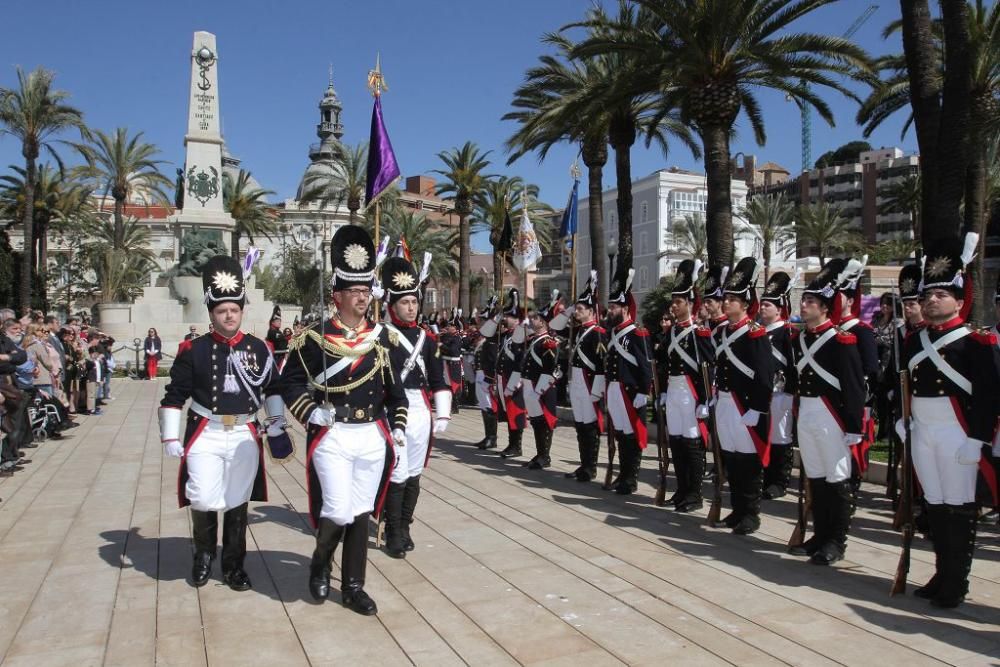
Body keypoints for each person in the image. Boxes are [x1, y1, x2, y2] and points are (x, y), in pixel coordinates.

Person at [275, 225, 407, 615]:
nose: (363, 299)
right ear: (337, 296)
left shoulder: (383, 338)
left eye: (366, 292)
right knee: (336, 509)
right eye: (355, 292)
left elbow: (395, 391)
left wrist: (398, 426)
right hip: (333, 434)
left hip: (370, 435)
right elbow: (290, 383)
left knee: (361, 512)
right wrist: (309, 411)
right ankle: (320, 563)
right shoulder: (315, 338)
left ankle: (353, 587)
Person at [159, 255, 289, 592]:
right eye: (221, 311)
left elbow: (272, 388)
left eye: (234, 309)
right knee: (202, 496)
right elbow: (174, 394)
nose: (228, 315)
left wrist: (276, 422)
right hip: (207, 432)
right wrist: (170, 436)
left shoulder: (258, 348)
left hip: (244, 433)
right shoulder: (194, 349)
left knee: (236, 502)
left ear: (242, 309)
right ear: (211, 313)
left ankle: (233, 565)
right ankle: (203, 555)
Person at [900, 233, 1000, 608]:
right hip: (923, 430)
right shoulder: (913, 341)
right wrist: (902, 420)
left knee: (958, 507)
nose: (931, 300)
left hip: (958, 433)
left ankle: (956, 582)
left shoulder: (977, 342)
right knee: (936, 505)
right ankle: (942, 572)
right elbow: (906, 384)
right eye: (928, 295)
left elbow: (990, 395)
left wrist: (978, 438)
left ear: (960, 300)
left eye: (941, 295)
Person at [790, 258, 866, 565]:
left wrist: (853, 425)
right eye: (805, 300)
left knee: (837, 480)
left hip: (831, 416)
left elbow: (853, 386)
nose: (805, 305)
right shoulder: (801, 339)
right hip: (808, 412)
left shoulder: (841, 341)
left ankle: (836, 541)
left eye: (811, 301)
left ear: (825, 307)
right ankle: (820, 536)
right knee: (817, 479)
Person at [379, 255, 451, 559]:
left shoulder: (427, 338)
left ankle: (405, 525)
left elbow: (438, 377)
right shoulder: (379, 336)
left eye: (414, 302)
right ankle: (392, 531)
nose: (411, 307)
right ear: (392, 305)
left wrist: (443, 410)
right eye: (405, 302)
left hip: (420, 410)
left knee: (414, 474)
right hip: (391, 410)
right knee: (396, 473)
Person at [712, 258, 774, 535]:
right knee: (732, 460)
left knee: (748, 463)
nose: (726, 303)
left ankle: (751, 514)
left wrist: (758, 408)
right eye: (726, 298)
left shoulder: (755, 334)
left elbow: (764, 375)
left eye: (733, 300)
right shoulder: (723, 331)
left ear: (746, 304)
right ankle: (736, 510)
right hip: (726, 403)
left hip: (745, 406)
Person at [654, 260, 714, 511]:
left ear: (690, 304)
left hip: (691, 392)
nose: (674, 306)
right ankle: (681, 490)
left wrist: (705, 400)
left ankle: (694, 494)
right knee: (676, 443)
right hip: (675, 390)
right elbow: (664, 365)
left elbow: (709, 368)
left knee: (691, 444)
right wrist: (664, 392)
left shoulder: (699, 333)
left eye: (678, 302)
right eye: (673, 301)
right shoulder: (670, 333)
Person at [601, 266, 652, 495]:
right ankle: (623, 474)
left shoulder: (637, 334)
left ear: (625, 308)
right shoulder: (612, 334)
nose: (609, 311)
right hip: (615, 389)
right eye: (610, 307)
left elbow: (645, 366)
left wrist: (644, 390)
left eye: (613, 308)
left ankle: (630, 479)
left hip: (630, 392)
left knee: (631, 435)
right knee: (621, 435)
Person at [834, 257, 879, 492]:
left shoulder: (862, 332)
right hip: (830, 404)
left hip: (854, 401)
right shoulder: (828, 332)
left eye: (838, 296)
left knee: (851, 458)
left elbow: (871, 371)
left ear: (850, 300)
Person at [758, 271, 799, 500]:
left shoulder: (788, 333)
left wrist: (791, 392)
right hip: (763, 392)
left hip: (782, 392)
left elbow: (793, 365)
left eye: (767, 305)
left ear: (779, 308)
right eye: (762, 304)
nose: (763, 309)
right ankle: (765, 476)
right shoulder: (759, 332)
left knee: (780, 436)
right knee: (764, 435)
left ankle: (779, 481)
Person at [516, 291, 565, 470]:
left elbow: (551, 369)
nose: (532, 320)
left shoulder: (548, 342)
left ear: (543, 322)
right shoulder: (535, 341)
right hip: (531, 386)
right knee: (536, 421)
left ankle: (545, 456)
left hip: (541, 388)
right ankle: (539, 453)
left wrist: (539, 390)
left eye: (535, 318)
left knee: (544, 421)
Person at [566, 271, 607, 482]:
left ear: (591, 311)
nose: (576, 312)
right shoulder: (580, 331)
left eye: (580, 309)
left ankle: (591, 468)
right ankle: (584, 465)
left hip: (590, 384)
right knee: (581, 425)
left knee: (590, 427)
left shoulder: (598, 332)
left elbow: (601, 364)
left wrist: (597, 391)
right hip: (579, 383)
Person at [497, 289, 528, 459]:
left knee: (516, 412)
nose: (505, 319)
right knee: (508, 412)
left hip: (514, 380)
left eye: (508, 316)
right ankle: (511, 443)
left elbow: (520, 360)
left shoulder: (520, 335)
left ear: (516, 320)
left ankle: (517, 446)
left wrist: (515, 381)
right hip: (505, 378)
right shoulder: (508, 335)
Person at [473, 296, 501, 450]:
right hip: (479, 374)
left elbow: (493, 362)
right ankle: (487, 436)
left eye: (484, 322)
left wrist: (489, 380)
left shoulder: (491, 341)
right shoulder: (483, 339)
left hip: (486, 377)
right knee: (484, 406)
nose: (481, 324)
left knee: (489, 407)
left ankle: (492, 438)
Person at [439, 310, 464, 409]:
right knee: (447, 384)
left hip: (452, 364)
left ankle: (455, 405)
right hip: (446, 362)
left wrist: (442, 346)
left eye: (450, 326)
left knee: (454, 384)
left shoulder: (456, 338)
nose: (448, 327)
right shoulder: (448, 337)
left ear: (455, 328)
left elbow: (453, 351)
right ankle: (449, 404)